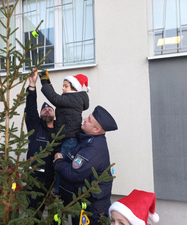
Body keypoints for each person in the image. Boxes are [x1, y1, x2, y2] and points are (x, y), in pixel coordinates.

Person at [53, 105, 118, 225]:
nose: (84, 119)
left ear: (96, 130)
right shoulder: (87, 140)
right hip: (82, 203)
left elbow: (74, 173)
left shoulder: (94, 149)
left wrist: (58, 162)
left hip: (92, 210)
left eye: (89, 120)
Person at [39, 71, 90, 196]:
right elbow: (57, 97)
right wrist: (49, 82)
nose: (63, 88)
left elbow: (55, 98)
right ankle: (59, 188)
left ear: (74, 88)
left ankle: (58, 191)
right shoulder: (75, 99)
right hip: (68, 137)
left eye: (66, 86)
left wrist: (44, 81)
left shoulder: (74, 99)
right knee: (64, 162)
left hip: (70, 139)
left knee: (60, 162)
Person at [24, 69, 57, 218]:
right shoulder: (35, 126)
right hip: (35, 180)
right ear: (40, 114)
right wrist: (32, 85)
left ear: (54, 115)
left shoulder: (60, 130)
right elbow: (30, 108)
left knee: (56, 217)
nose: (47, 111)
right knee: (35, 213)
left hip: (56, 181)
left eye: (50, 109)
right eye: (44, 110)